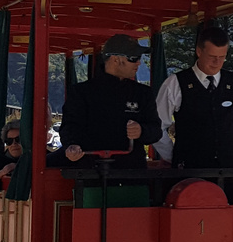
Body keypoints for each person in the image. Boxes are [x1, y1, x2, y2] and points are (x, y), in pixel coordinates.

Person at [154, 22, 233, 204]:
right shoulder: (176, 83)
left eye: (222, 57)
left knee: (229, 222)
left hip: (230, 172)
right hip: (190, 171)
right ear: (199, 52)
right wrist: (173, 155)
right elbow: (157, 125)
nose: (217, 62)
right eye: (212, 56)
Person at [58, 34, 162, 171]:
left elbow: (156, 130)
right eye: (134, 58)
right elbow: (69, 127)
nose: (139, 63)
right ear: (115, 59)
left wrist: (141, 131)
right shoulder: (82, 92)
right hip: (92, 172)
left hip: (132, 173)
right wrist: (72, 145)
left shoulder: (143, 93)